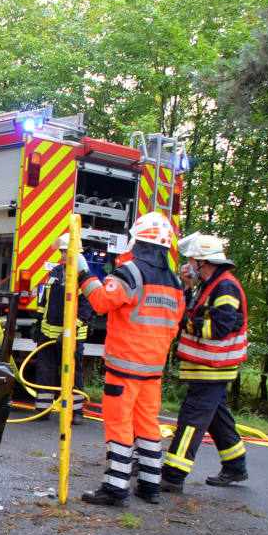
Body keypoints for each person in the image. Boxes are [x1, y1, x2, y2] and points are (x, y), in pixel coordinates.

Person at [78, 211, 185, 507]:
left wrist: (83, 274)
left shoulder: (131, 272)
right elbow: (173, 324)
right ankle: (150, 486)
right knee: (148, 425)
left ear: (137, 241)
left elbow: (100, 302)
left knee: (119, 425)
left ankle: (115, 488)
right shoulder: (175, 282)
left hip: (124, 368)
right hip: (152, 369)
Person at [160, 233, 249, 491]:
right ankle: (235, 466)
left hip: (213, 368)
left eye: (192, 261)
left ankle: (173, 475)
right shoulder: (209, 285)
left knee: (191, 419)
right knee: (216, 417)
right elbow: (189, 309)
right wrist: (186, 288)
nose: (189, 265)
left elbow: (220, 327)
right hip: (206, 367)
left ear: (203, 262)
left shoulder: (225, 287)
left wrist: (187, 323)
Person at [35, 232, 94, 422]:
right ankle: (43, 409)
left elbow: (85, 309)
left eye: (65, 252)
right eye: (61, 252)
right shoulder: (56, 272)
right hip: (48, 333)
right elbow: (45, 301)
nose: (61, 256)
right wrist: (37, 322)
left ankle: (76, 412)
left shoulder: (83, 276)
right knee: (44, 369)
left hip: (72, 337)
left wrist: (71, 331)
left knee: (72, 373)